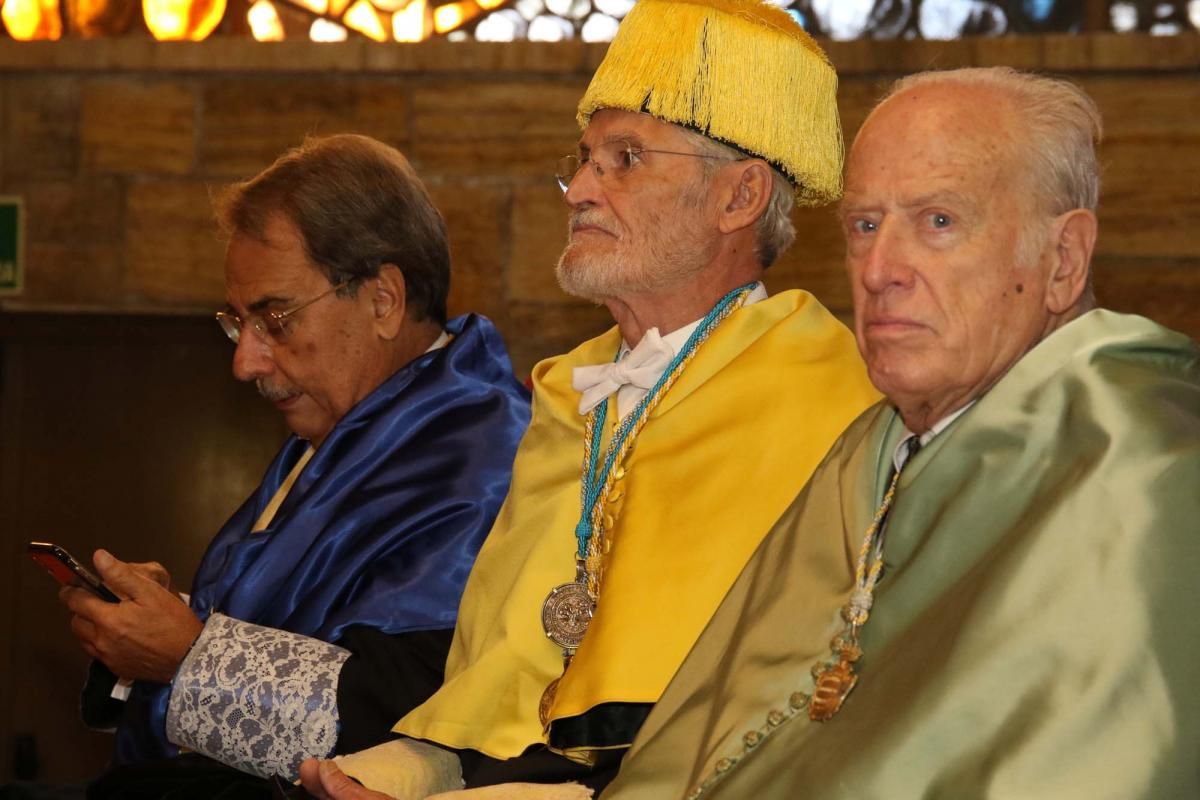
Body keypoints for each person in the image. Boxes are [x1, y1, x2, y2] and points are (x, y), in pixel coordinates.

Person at [294, 1, 879, 798]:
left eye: (627, 157)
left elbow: (767, 726)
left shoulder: (817, 388)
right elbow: (503, 691)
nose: (582, 190)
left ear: (739, 198)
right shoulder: (573, 391)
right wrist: (409, 768)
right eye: (585, 158)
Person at [598, 67, 1200, 800]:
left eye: (939, 222)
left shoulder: (1140, 471)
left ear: (1063, 261)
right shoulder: (868, 451)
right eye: (865, 226)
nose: (880, 270)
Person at [59, 134, 532, 796]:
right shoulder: (347, 427)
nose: (245, 362)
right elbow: (299, 623)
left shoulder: (480, 458)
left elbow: (423, 708)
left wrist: (193, 656)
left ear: (384, 300)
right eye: (238, 324)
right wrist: (155, 625)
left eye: (275, 319)